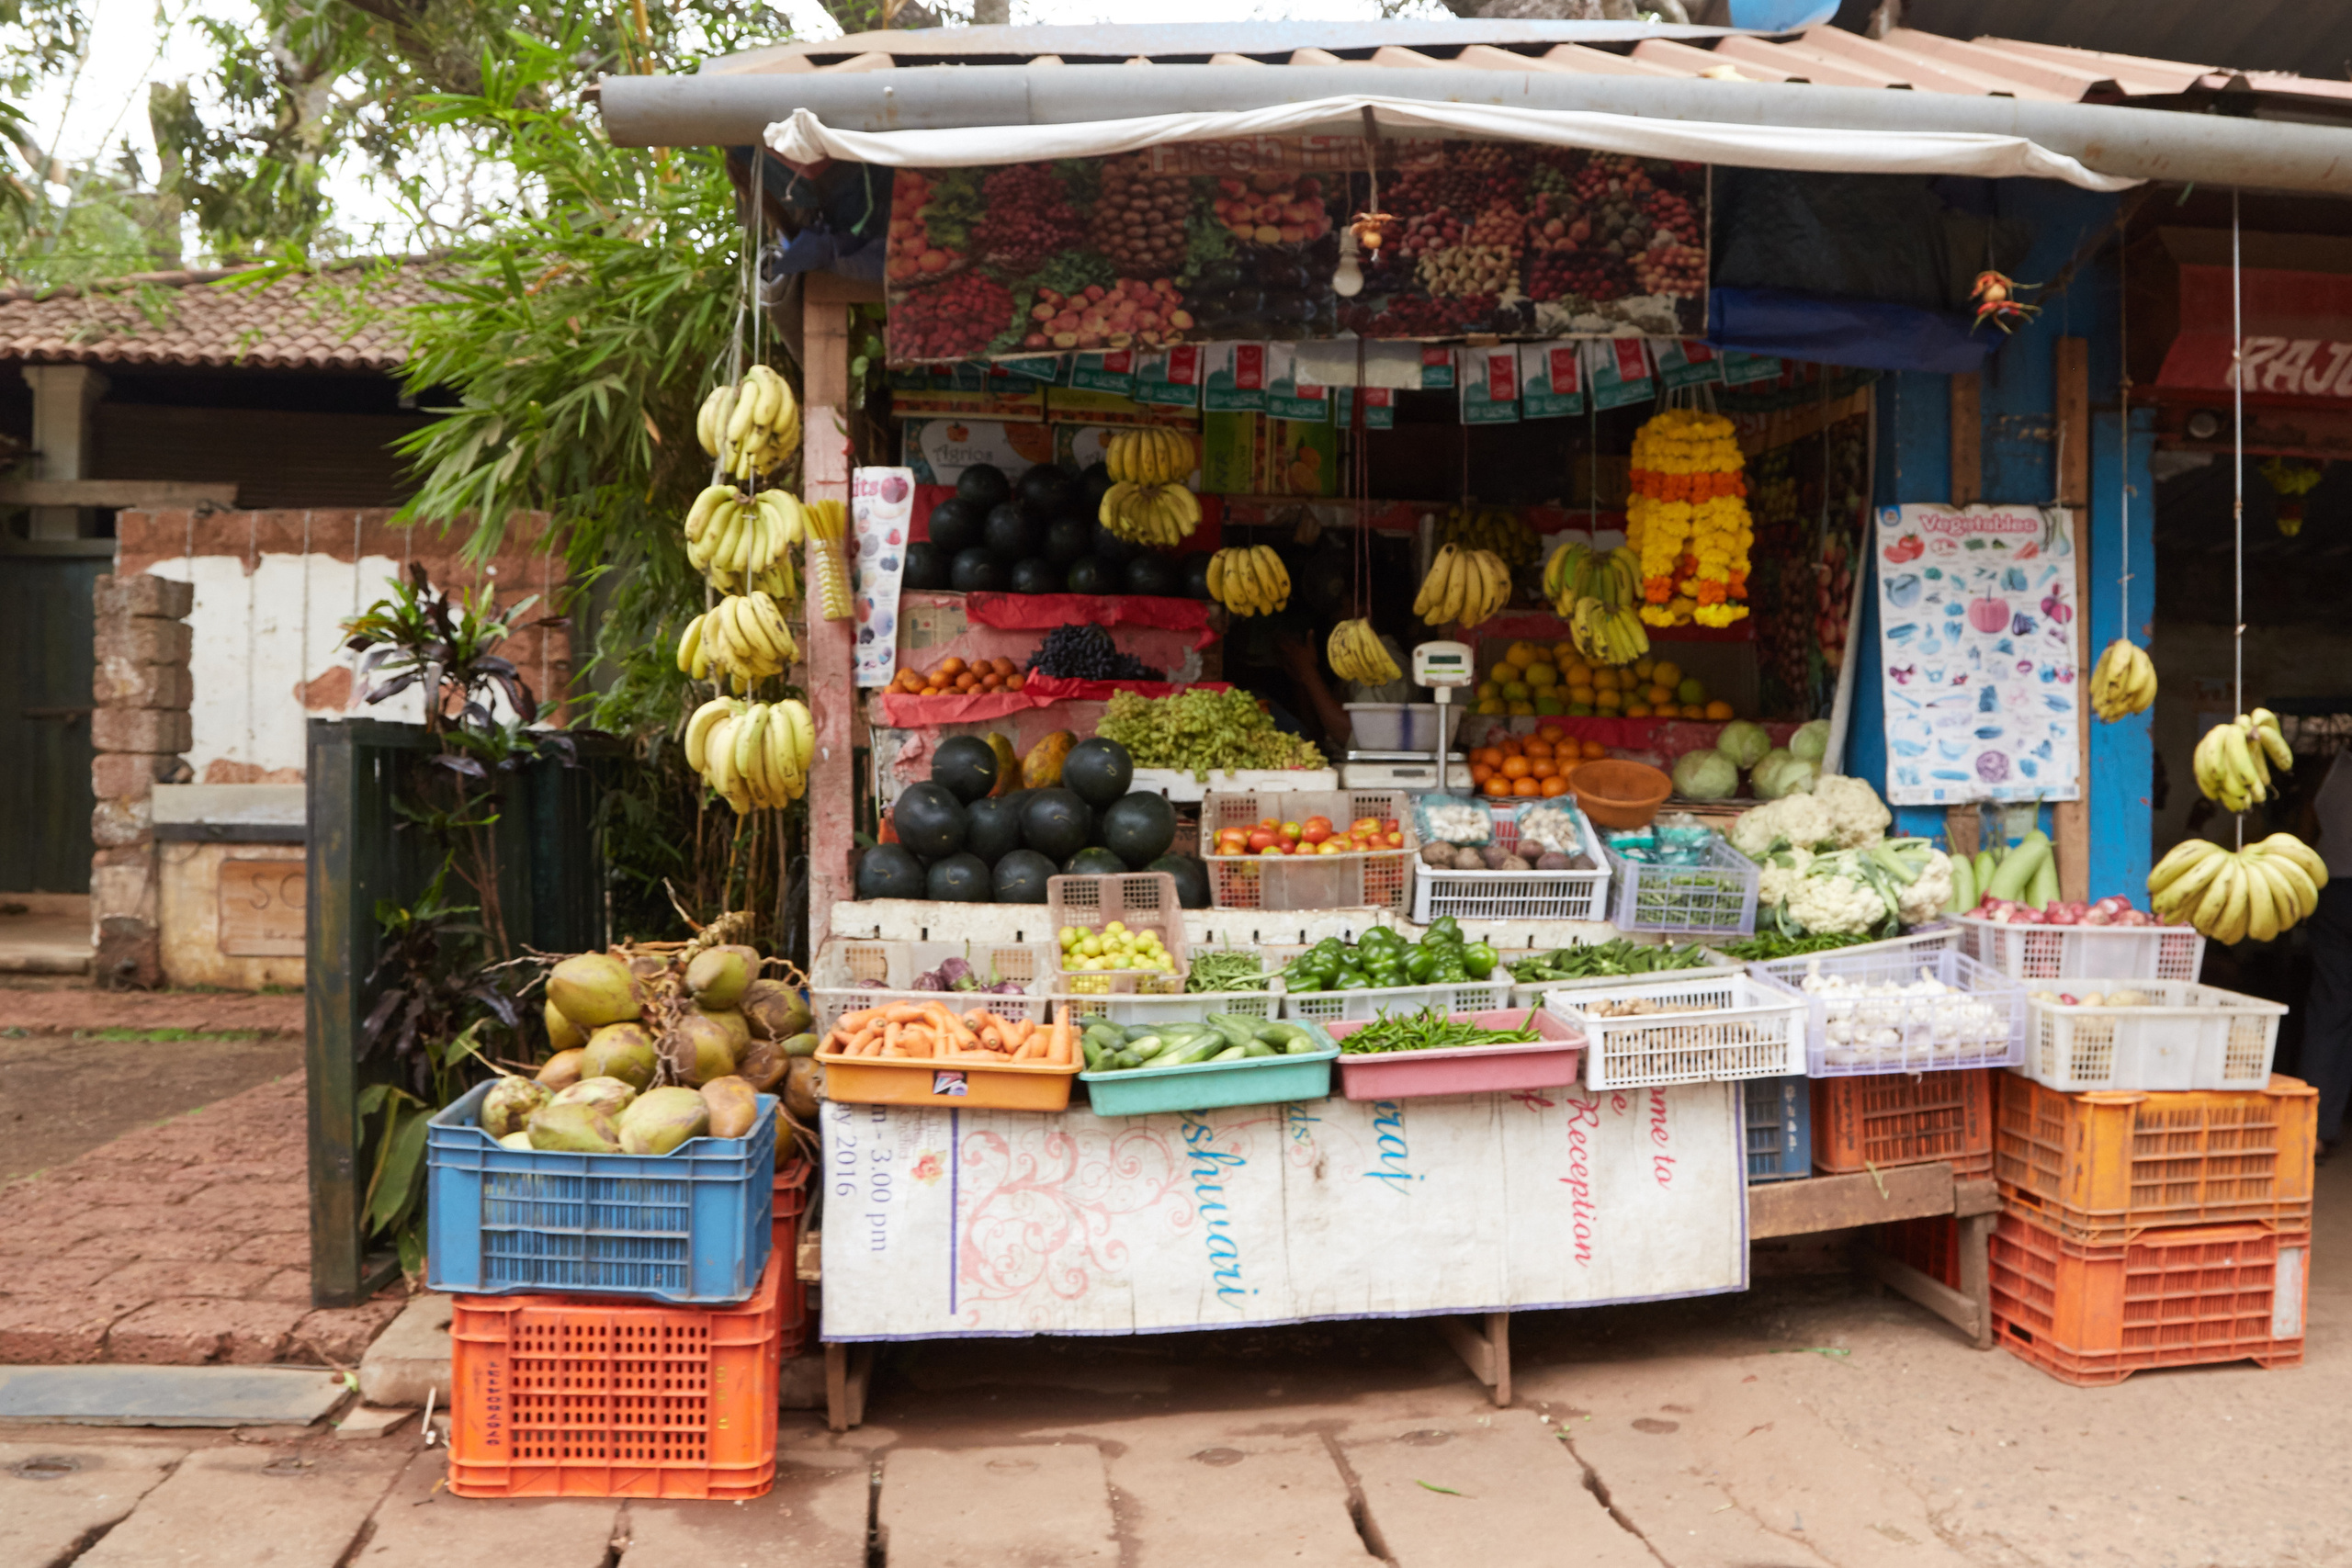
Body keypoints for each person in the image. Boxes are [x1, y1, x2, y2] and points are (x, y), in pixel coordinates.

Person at [2302, 748, 2352, 1155]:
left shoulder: (2330, 767)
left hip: (2333, 889)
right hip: (2335, 891)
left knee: (2331, 1009)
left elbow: (2305, 828)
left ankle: (2316, 1132)